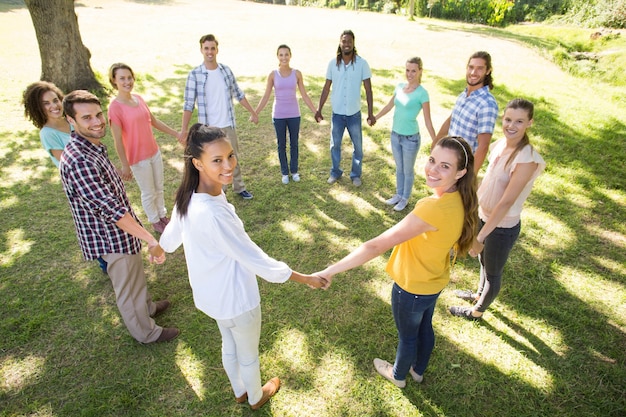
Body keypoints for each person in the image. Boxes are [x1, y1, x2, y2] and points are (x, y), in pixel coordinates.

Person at [159, 124, 326, 409]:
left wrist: (159, 249)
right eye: (217, 160)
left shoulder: (189, 197)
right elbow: (255, 258)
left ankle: (240, 389)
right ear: (197, 163)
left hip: (213, 298)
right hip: (237, 299)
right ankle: (256, 396)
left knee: (229, 343)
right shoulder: (212, 214)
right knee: (247, 354)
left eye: (230, 155)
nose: (229, 165)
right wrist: (305, 278)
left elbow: (170, 240)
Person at [316, 137, 478, 387]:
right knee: (425, 328)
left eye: (445, 166)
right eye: (432, 160)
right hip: (434, 283)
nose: (433, 169)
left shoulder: (431, 208)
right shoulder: (463, 199)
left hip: (412, 288)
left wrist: (330, 270)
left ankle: (398, 375)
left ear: (461, 172)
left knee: (408, 336)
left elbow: (376, 245)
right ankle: (418, 370)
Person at [59, 90, 179, 344]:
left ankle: (147, 308)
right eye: (87, 118)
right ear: (71, 120)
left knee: (136, 275)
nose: (97, 122)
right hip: (109, 237)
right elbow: (109, 209)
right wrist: (150, 239)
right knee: (126, 286)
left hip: (122, 232)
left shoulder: (90, 145)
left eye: (98, 114)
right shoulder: (79, 160)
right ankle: (147, 333)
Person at [449, 98, 545, 320]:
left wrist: (481, 236)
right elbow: (489, 180)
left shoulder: (526, 159)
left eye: (519, 121)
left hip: (501, 226)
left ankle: (477, 312)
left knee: (493, 272)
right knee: (484, 262)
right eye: (508, 119)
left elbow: (506, 202)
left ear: (529, 123)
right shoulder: (501, 144)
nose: (511, 126)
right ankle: (478, 295)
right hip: (484, 217)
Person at [22, 81, 108, 274]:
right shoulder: (48, 133)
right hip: (81, 183)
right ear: (38, 107)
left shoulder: (72, 121)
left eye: (55, 100)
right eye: (46, 103)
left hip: (97, 174)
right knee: (94, 223)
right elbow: (67, 163)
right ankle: (105, 264)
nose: (54, 106)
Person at [181, 34, 257, 200]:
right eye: (206, 48)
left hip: (227, 124)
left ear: (217, 49)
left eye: (212, 48)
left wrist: (253, 111)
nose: (210, 52)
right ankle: (219, 192)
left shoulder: (225, 71)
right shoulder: (195, 75)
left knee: (232, 157)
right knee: (213, 162)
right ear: (201, 50)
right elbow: (188, 104)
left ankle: (239, 187)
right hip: (208, 128)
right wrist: (184, 130)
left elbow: (238, 93)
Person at [108, 63, 180, 234]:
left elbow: (153, 121)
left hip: (153, 152)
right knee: (148, 192)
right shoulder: (115, 108)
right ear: (114, 81)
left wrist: (175, 133)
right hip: (137, 158)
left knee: (159, 187)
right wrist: (125, 165)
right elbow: (117, 140)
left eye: (129, 77)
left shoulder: (139, 99)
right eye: (122, 78)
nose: (127, 82)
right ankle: (155, 220)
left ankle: (162, 215)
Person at [374, 57, 437, 211]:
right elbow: (389, 106)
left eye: (413, 70)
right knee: (399, 167)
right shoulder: (399, 87)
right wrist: (375, 117)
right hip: (395, 135)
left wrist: (436, 141)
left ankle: (405, 198)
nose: (410, 74)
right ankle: (398, 194)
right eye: (407, 70)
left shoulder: (423, 94)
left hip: (410, 139)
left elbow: (427, 120)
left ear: (420, 71)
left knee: (408, 170)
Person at [315, 30, 375, 187]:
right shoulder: (332, 64)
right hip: (338, 114)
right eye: (344, 41)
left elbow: (368, 90)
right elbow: (326, 88)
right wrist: (319, 109)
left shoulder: (362, 64)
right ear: (340, 43)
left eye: (349, 41)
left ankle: (355, 174)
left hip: (354, 114)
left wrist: (370, 114)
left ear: (353, 43)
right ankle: (335, 172)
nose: (346, 44)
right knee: (335, 145)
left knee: (358, 147)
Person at [254, 44, 317, 185]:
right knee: (281, 144)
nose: (284, 57)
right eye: (281, 55)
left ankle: (294, 171)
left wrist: (315, 111)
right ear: (278, 56)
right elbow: (265, 96)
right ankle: (284, 172)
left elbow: (305, 95)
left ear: (290, 56)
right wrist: (255, 112)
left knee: (294, 143)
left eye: (286, 54)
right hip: (278, 115)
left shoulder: (297, 73)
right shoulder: (273, 74)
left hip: (294, 114)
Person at [435, 51, 498, 172]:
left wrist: (470, 177)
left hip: (462, 168)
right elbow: (451, 120)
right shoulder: (464, 95)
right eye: (471, 67)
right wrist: (436, 145)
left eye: (480, 68)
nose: (473, 72)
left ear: (488, 71)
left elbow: (483, 146)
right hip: (447, 161)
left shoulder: (487, 104)